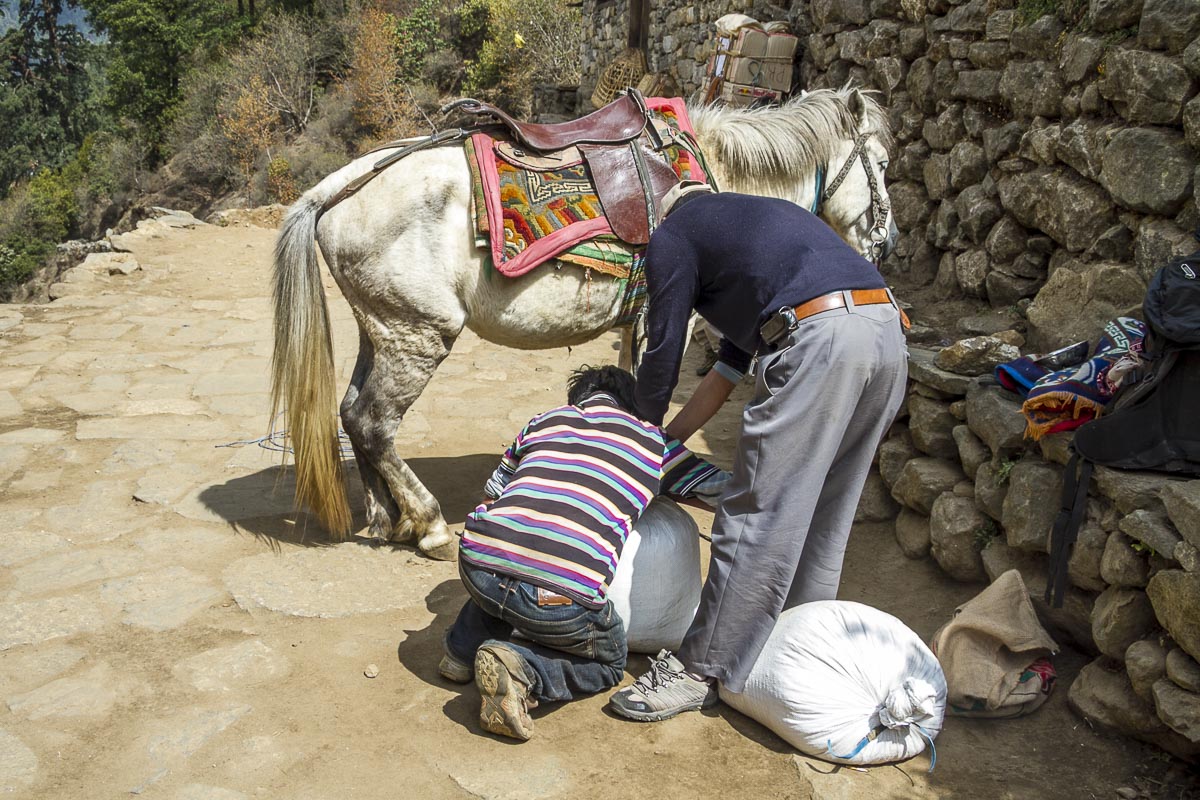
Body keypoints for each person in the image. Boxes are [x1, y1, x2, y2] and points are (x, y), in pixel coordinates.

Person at [608, 181, 908, 722]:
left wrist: (635, 439)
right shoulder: (757, 240)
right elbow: (722, 378)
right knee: (823, 510)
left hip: (820, 337)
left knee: (757, 511)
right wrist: (658, 449)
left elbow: (662, 355)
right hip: (884, 333)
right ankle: (799, 644)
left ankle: (698, 670)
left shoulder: (673, 235)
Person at [440, 365, 725, 740]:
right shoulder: (653, 441)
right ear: (634, 407)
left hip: (476, 565)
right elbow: (718, 491)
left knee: (510, 552)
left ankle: (460, 652)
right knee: (609, 661)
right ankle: (523, 669)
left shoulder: (543, 422)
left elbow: (493, 494)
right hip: (559, 599)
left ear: (578, 402)